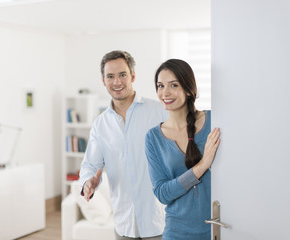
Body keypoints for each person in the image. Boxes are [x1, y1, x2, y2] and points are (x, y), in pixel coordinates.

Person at [79, 50, 168, 239]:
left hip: (158, 222)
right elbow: (90, 165)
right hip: (123, 225)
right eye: (110, 76)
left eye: (122, 75)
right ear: (103, 80)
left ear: (133, 76)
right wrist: (89, 181)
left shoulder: (158, 111)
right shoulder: (100, 124)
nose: (116, 82)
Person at [145, 59, 221, 240]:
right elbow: (162, 193)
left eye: (173, 85)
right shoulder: (153, 138)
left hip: (217, 229)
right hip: (176, 232)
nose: (165, 92)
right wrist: (202, 165)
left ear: (188, 89)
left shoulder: (215, 121)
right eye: (160, 86)